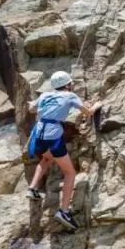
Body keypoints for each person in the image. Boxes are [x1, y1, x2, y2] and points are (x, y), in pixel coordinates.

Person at [25, 71, 101, 230]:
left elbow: (32, 109)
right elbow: (87, 113)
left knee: (46, 159)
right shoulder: (70, 96)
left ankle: (32, 188)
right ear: (67, 84)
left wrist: (32, 104)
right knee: (70, 173)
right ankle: (64, 211)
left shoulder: (45, 95)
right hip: (53, 135)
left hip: (38, 133)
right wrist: (96, 106)